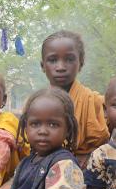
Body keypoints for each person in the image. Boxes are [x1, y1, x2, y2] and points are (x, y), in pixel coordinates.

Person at [41, 30, 109, 167]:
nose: (60, 67)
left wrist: (88, 156)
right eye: (53, 60)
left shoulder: (95, 102)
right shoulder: (35, 105)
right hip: (43, 167)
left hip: (88, 170)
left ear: (81, 63)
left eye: (69, 59)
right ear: (43, 66)